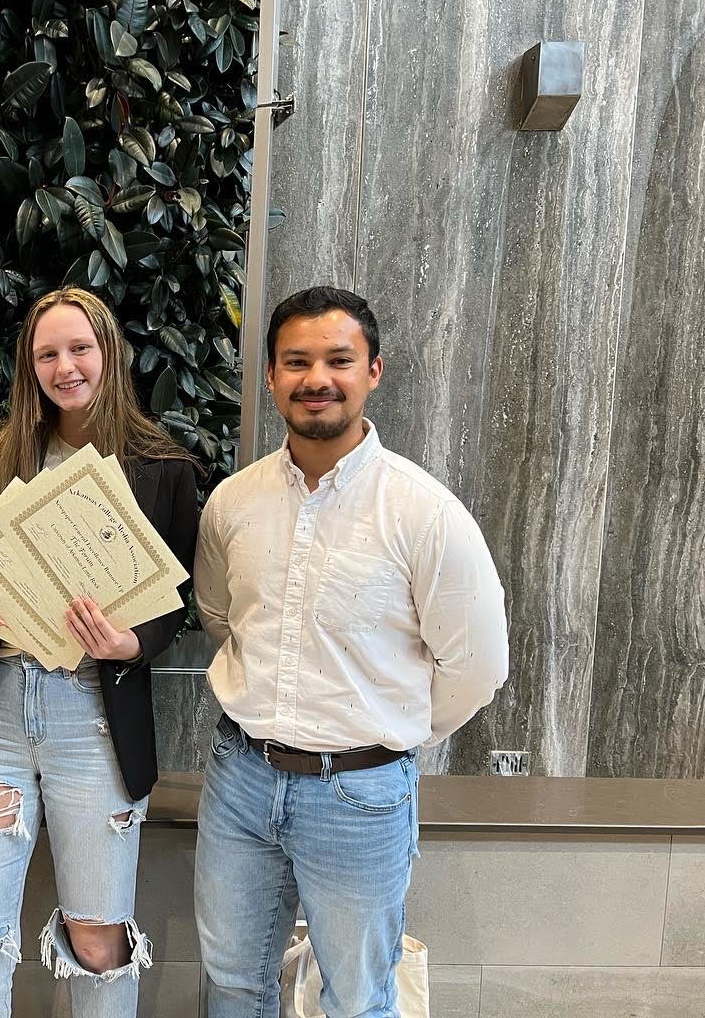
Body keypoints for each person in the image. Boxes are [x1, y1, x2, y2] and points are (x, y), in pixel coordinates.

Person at [193, 286, 509, 1018]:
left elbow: (477, 666)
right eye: (296, 361)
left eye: (339, 359)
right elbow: (221, 616)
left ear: (374, 371)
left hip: (359, 798)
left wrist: (385, 738)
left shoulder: (423, 512)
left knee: (358, 999)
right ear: (271, 377)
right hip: (240, 780)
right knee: (232, 985)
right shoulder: (232, 504)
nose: (317, 378)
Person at [0, 286, 199, 1017]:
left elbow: (178, 602)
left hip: (93, 715)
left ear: (108, 352)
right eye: (48, 353)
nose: (65, 366)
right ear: (28, 365)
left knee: (99, 941)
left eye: (80, 349)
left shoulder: (161, 464)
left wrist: (131, 641)